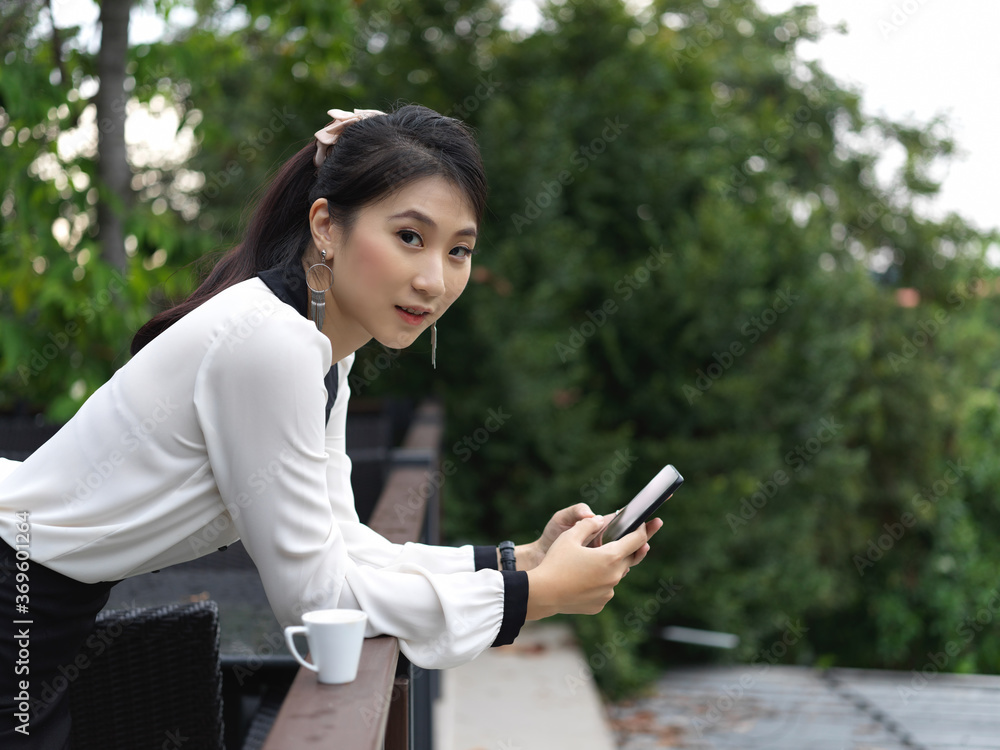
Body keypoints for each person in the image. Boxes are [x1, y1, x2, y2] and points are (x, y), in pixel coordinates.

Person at [0, 104, 661, 747]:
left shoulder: (318, 354)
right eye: (409, 237)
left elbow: (341, 542)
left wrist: (516, 562)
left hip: (41, 605)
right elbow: (316, 599)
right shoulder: (270, 343)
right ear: (325, 226)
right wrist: (528, 598)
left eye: (458, 250)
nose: (433, 279)